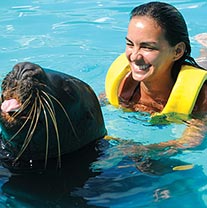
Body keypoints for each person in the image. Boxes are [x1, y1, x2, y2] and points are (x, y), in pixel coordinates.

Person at [105, 2, 207, 159]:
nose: (134, 56)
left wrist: (137, 150)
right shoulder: (123, 86)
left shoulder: (201, 97)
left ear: (178, 51)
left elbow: (190, 142)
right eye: (130, 44)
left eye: (147, 47)